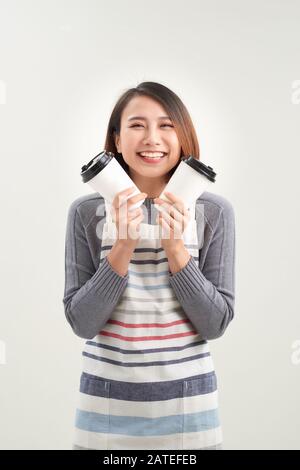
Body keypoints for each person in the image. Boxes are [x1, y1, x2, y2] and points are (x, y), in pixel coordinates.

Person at [63, 81, 236, 450]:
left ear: (183, 136)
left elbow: (216, 323)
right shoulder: (85, 212)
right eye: (137, 125)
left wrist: (176, 250)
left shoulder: (214, 212)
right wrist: (122, 245)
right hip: (105, 411)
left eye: (166, 125)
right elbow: (82, 322)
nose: (152, 138)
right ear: (117, 139)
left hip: (189, 411)